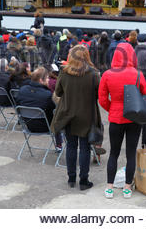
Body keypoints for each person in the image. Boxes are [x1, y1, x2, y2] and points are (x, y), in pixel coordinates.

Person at [99, 43, 146, 199]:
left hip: (116, 118)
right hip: (133, 118)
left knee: (113, 152)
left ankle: (109, 187)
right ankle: (127, 187)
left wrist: (112, 108)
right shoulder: (138, 74)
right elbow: (144, 94)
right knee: (130, 153)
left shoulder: (107, 74)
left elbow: (102, 99)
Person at [51, 46, 101, 190]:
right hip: (87, 114)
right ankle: (84, 181)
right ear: (86, 56)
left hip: (68, 113)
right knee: (85, 148)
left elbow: (58, 92)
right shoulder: (94, 74)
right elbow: (98, 95)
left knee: (71, 147)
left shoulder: (64, 72)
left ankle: (71, 179)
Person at [16, 67, 55, 132]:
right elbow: (53, 112)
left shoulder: (22, 90)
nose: (49, 80)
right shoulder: (47, 94)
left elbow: (17, 106)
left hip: (28, 126)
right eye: (47, 78)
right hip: (45, 127)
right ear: (41, 80)